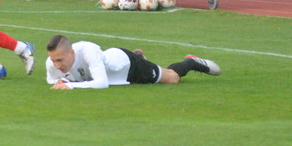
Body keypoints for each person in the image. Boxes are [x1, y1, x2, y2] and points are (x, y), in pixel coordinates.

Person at [45, 34, 221, 90]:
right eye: (54, 60)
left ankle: (190, 62)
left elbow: (102, 83)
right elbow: (53, 80)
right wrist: (63, 81)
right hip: (118, 70)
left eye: (60, 60)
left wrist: (72, 86)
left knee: (172, 78)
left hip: (127, 65)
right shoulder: (51, 63)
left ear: (72, 52)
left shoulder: (88, 50)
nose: (57, 65)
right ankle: (140, 55)